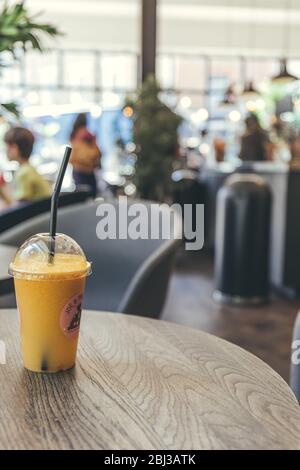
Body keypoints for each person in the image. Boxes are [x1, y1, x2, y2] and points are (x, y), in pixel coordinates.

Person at [4, 127, 51, 203]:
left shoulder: (24, 173)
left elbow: (20, 205)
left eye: (9, 146)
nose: (6, 150)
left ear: (15, 148)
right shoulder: (29, 168)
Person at [70, 113, 101, 198]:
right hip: (88, 170)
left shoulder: (73, 134)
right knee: (92, 196)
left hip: (77, 170)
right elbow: (96, 152)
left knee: (81, 196)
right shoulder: (87, 134)